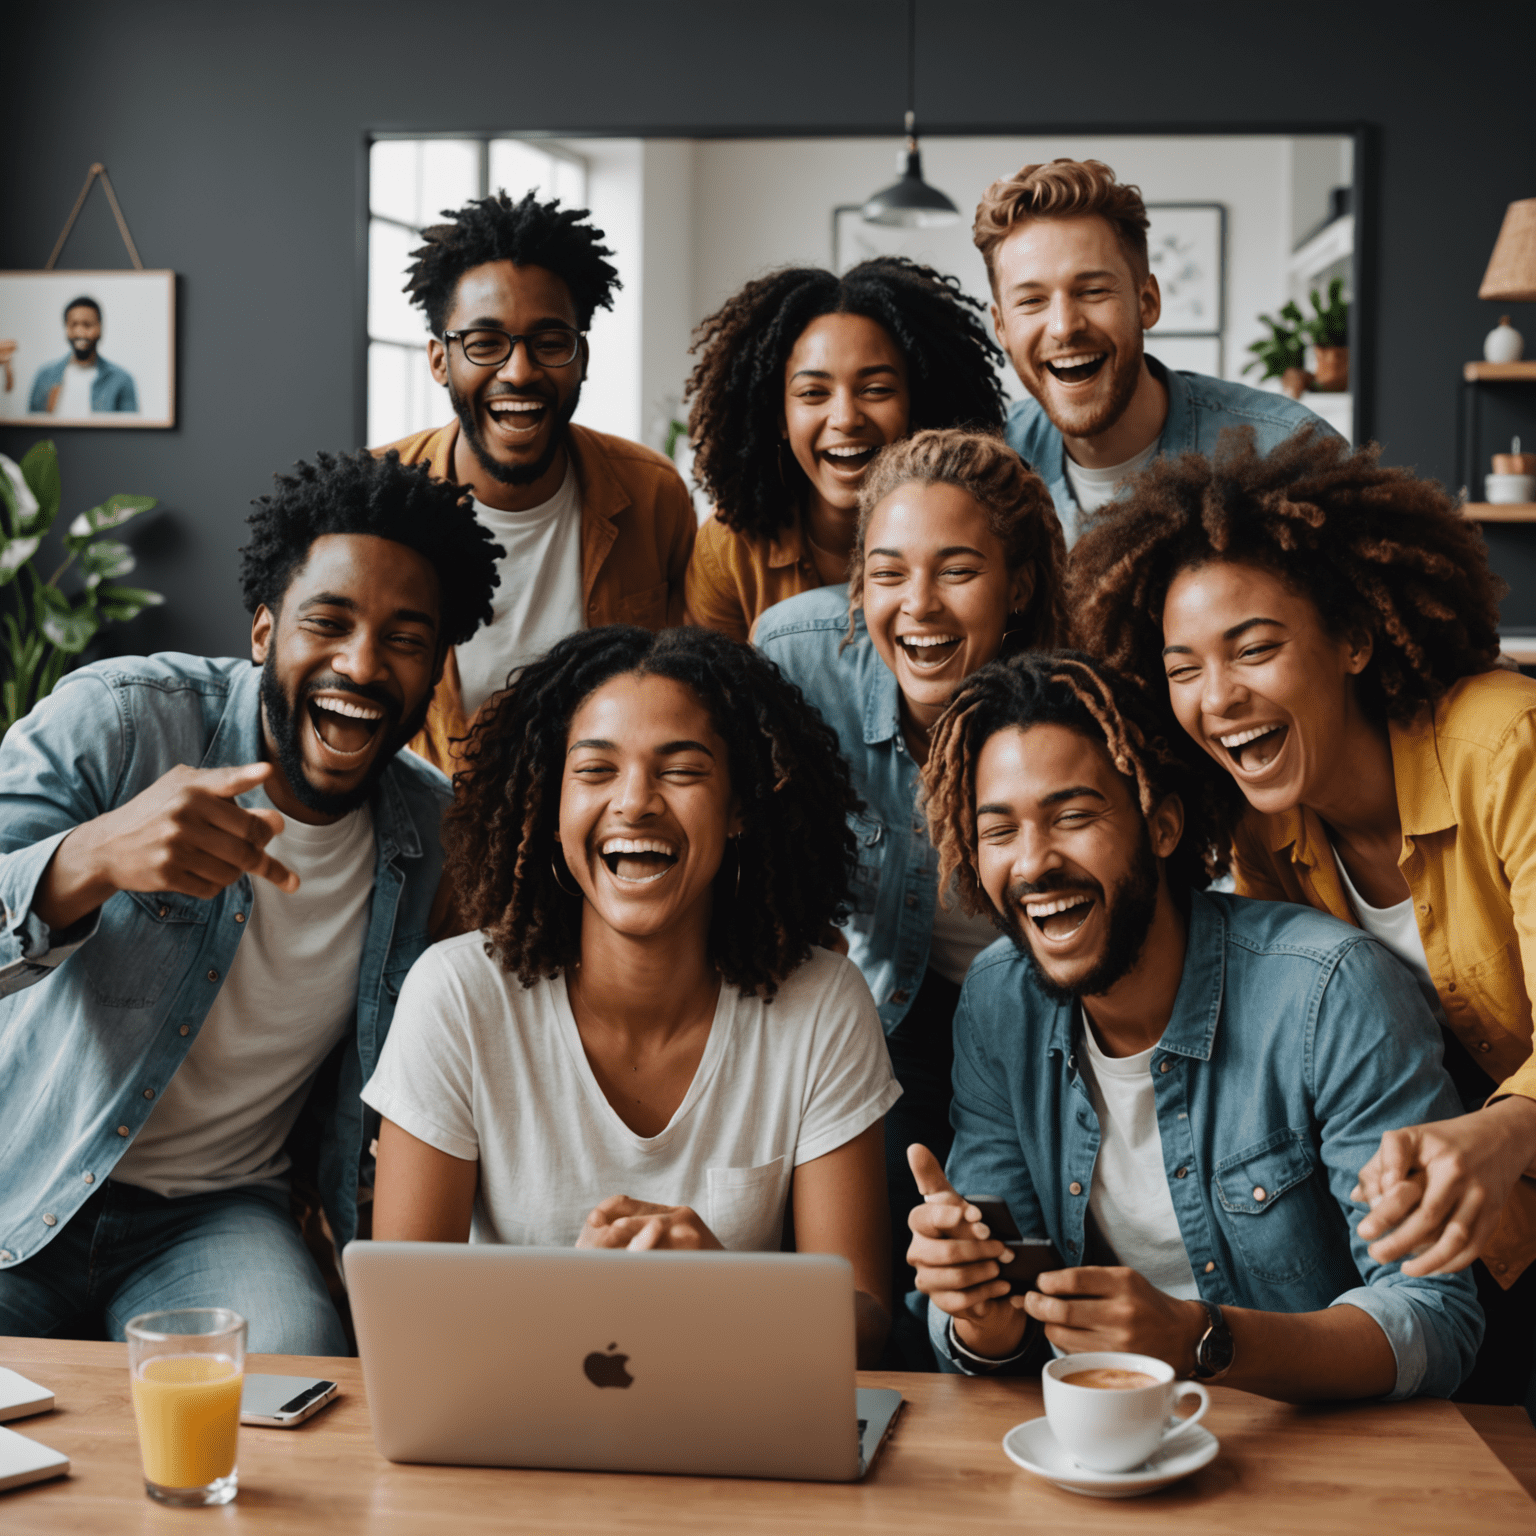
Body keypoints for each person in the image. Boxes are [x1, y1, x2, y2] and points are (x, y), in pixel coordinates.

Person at [1069, 425, 1536, 1409]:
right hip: (1494, 1235)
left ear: (1356, 639)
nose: (1218, 698)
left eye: (1257, 649)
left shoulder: (1504, 745)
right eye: (1183, 667)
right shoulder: (1260, 830)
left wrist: (1504, 1132)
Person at [0, 449, 499, 1352]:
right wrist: (90, 860)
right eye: (330, 622)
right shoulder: (119, 723)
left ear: (434, 671)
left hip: (214, 1219)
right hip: (20, 1180)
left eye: (405, 639)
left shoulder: (437, 840)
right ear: (265, 633)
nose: (362, 663)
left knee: (295, 1393)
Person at [905, 649, 1481, 1400]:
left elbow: (1435, 1319)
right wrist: (979, 1313)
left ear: (1164, 825)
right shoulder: (998, 1005)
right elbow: (1002, 1324)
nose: (1033, 863)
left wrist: (1202, 1340)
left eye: (1072, 816)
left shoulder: (1330, 992)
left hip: (1319, 1461)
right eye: (999, 831)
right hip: (1098, 1453)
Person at [365, 625, 901, 1366]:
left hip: (735, 1433)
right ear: (550, 811)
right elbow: (402, 1317)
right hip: (516, 1431)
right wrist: (578, 1301)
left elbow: (868, 1324)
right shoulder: (457, 998)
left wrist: (731, 1295)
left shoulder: (822, 1005)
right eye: (595, 771)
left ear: (741, 806)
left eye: (680, 771)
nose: (635, 803)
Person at [755, 429, 1065, 1365]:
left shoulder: (1084, 680)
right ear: (859, 586)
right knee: (892, 1220)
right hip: (893, 995)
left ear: (1016, 585)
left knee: (1025, 1240)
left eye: (957, 571)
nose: (917, 606)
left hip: (1050, 1010)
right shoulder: (798, 659)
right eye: (887, 573)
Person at [380, 191, 696, 774]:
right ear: (439, 360)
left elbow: (687, 692)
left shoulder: (654, 497)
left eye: (550, 343)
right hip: (426, 832)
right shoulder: (378, 503)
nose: (519, 372)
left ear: (582, 358)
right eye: (484, 344)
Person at [974, 158, 1332, 543]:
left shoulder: (1288, 455)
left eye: (1093, 291)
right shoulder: (990, 465)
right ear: (1001, 327)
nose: (1064, 327)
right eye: (1031, 301)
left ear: (1147, 302)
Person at [683, 258, 1007, 642]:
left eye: (876, 390)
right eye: (813, 393)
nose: (846, 418)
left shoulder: (988, 528)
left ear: (917, 405)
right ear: (780, 419)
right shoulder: (730, 551)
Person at [28, 296, 138, 414]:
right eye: (73, 325)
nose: (80, 332)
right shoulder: (45, 376)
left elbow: (129, 430)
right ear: (66, 328)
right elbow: (33, 427)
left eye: (87, 325)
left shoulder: (121, 380)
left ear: (100, 328)